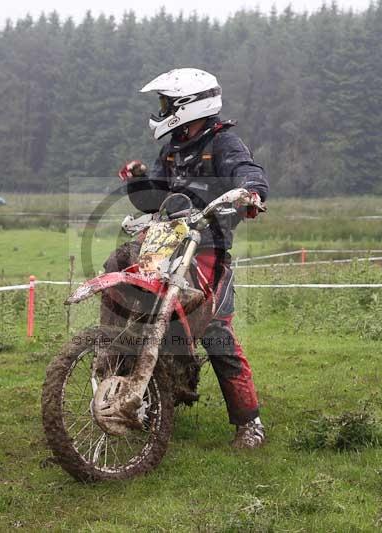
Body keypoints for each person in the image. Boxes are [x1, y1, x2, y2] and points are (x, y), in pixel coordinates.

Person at [112, 68, 269, 449]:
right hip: (168, 244)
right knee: (125, 290)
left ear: (189, 106)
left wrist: (251, 192)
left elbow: (248, 171)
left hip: (209, 248)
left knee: (217, 333)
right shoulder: (173, 146)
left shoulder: (224, 142)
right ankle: (127, 387)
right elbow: (156, 200)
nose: (161, 110)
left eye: (166, 103)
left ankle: (250, 424)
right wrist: (140, 180)